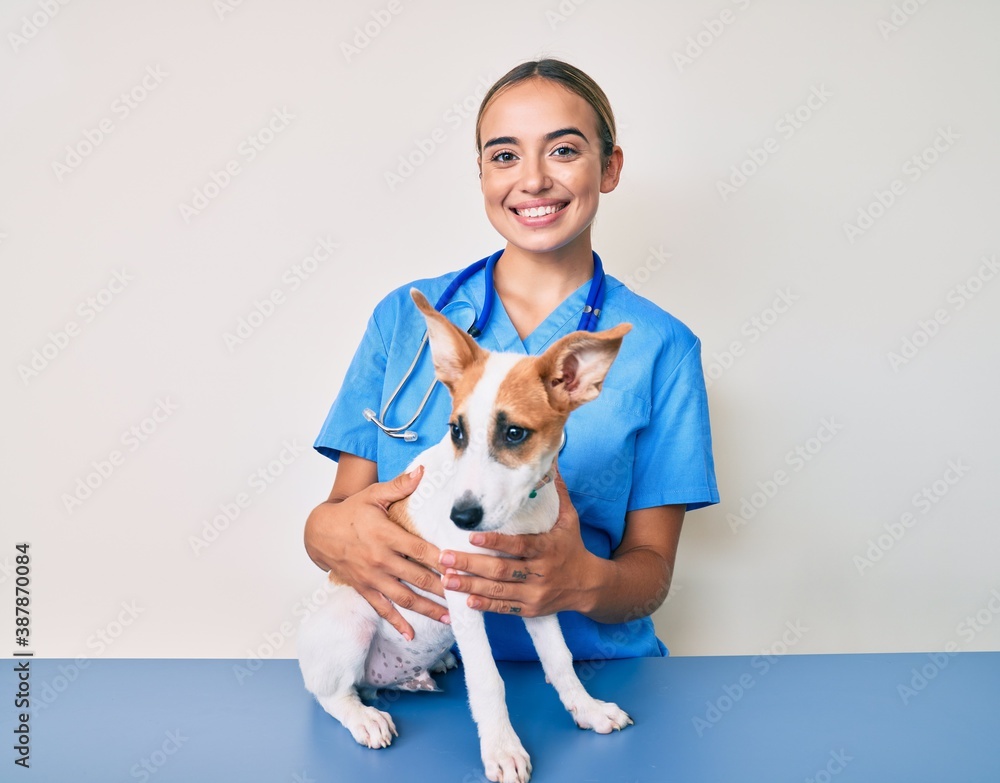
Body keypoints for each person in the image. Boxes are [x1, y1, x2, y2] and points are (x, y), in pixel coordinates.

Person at [304, 59, 719, 661]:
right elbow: (336, 520)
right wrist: (324, 533)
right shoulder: (405, 319)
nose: (533, 180)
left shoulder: (662, 347)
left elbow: (651, 573)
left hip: (592, 674)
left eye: (563, 151)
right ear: (481, 174)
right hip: (422, 672)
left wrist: (584, 581)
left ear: (610, 167)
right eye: (505, 156)